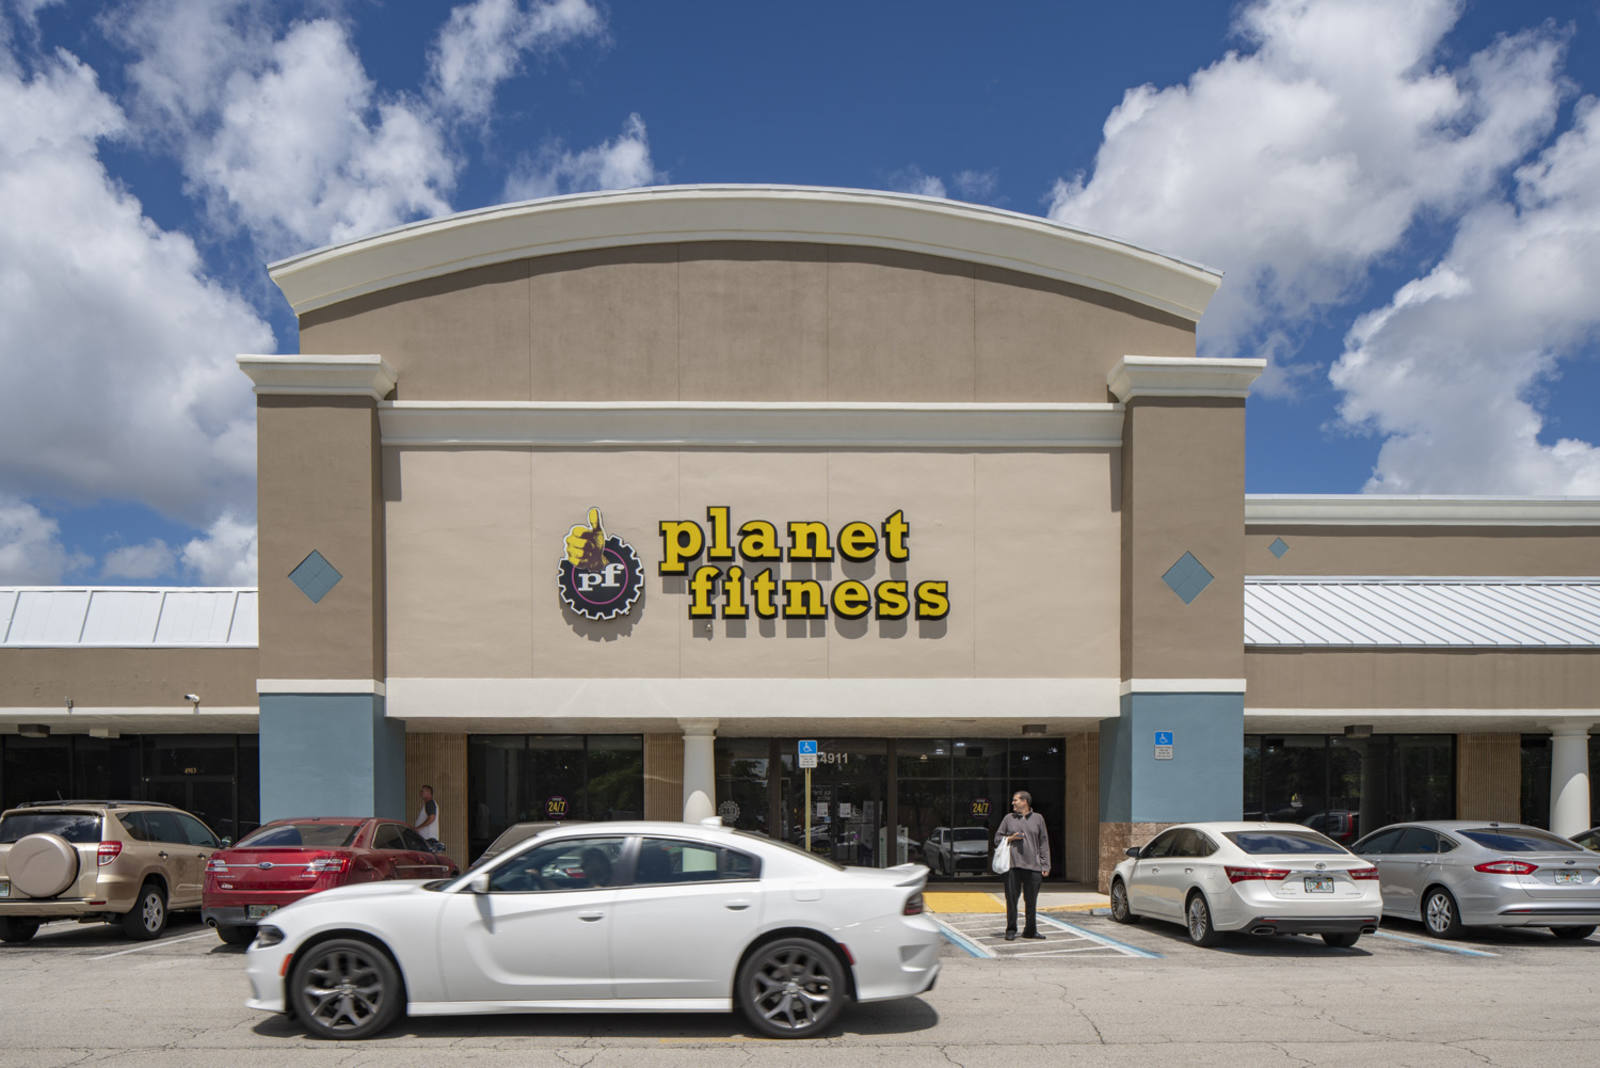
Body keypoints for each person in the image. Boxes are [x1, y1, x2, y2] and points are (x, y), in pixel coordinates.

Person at [994, 790, 1050, 941]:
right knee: (1011, 899)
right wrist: (1010, 838)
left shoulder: (1038, 818)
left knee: (1031, 901)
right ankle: (1011, 930)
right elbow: (997, 838)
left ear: (1025, 802)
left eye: (1015, 800)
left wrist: (1045, 865)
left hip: (1033, 867)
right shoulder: (1008, 818)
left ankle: (1030, 931)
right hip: (1013, 866)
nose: (1013, 803)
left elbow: (1044, 842)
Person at [413, 784, 441, 850]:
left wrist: (418, 828)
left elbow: (432, 818)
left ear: (428, 792)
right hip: (428, 839)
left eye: (422, 791)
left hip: (428, 839)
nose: (420, 793)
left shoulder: (430, 803)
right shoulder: (429, 804)